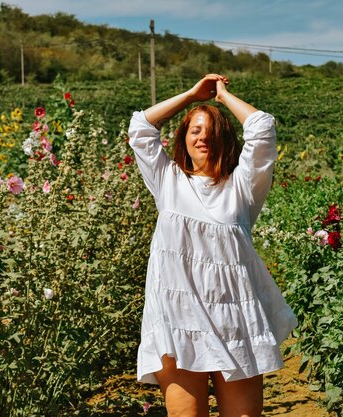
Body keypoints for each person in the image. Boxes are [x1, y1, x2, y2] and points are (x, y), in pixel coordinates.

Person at [128, 74, 298, 417]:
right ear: (184, 139)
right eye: (195, 130)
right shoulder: (168, 181)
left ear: (224, 140)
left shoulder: (243, 188)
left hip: (235, 322)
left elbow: (262, 128)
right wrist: (191, 96)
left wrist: (222, 96)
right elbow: (141, 128)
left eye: (211, 131)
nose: (203, 136)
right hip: (177, 322)